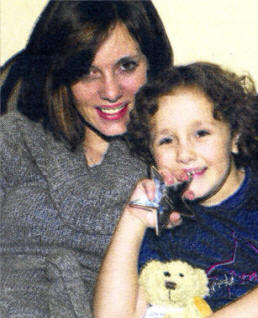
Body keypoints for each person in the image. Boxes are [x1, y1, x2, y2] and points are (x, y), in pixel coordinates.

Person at [0, 1, 173, 317]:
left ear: (152, 63)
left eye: (126, 66)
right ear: (60, 74)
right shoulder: (13, 139)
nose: (110, 91)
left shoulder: (173, 158)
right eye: (87, 71)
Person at [94, 62, 258, 317]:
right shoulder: (164, 228)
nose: (184, 154)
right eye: (166, 140)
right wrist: (132, 220)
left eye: (200, 133)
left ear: (235, 136)